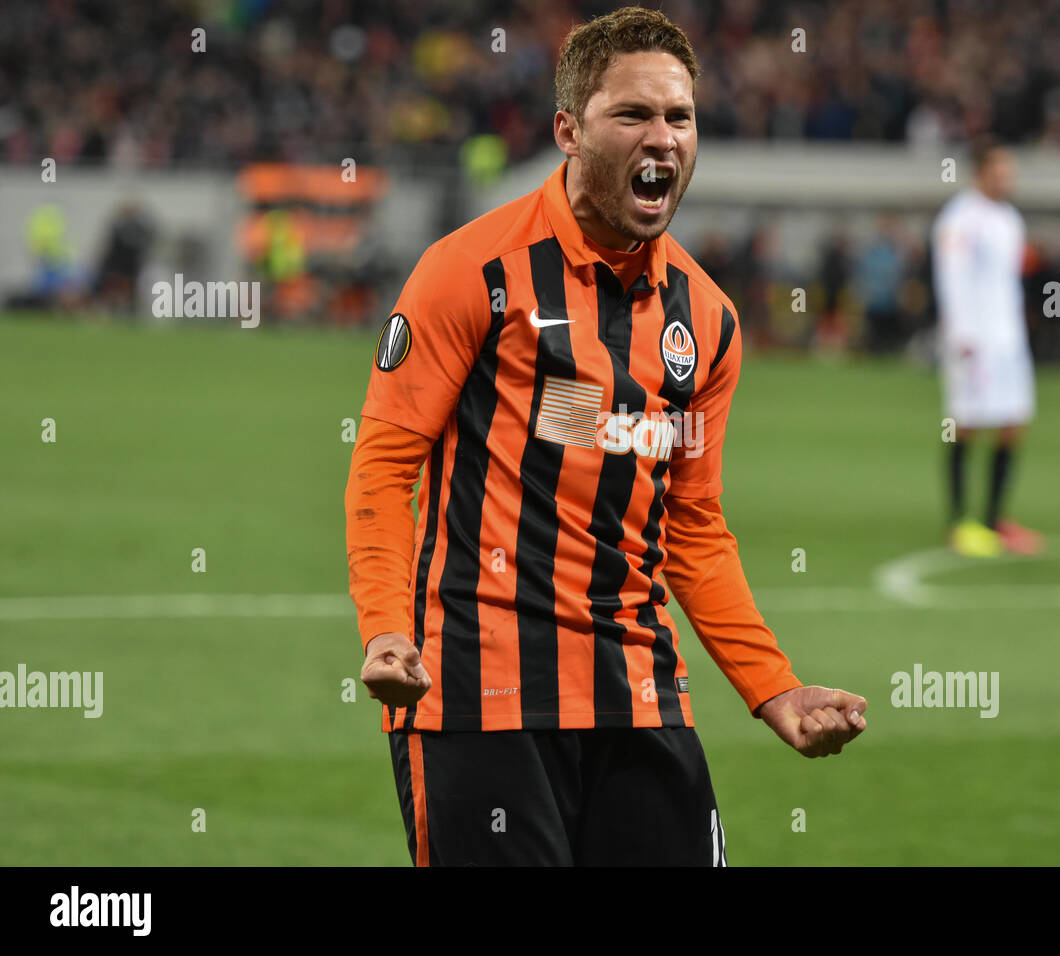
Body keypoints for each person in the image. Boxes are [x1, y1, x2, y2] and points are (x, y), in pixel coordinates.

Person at [344, 7, 867, 868]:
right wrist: (385, 628)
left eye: (680, 117)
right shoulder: (469, 272)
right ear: (568, 131)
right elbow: (383, 468)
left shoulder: (708, 319)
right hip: (478, 694)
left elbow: (692, 525)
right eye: (633, 114)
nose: (662, 137)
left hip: (638, 693)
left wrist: (772, 686)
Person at [931, 140, 1042, 557]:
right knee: (967, 424)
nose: (1007, 179)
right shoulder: (959, 219)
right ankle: (960, 523)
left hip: (1009, 339)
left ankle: (996, 519)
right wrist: (962, 336)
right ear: (980, 173)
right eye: (999, 171)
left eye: (1010, 171)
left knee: (1014, 422)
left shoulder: (1010, 218)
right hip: (974, 342)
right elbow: (951, 279)